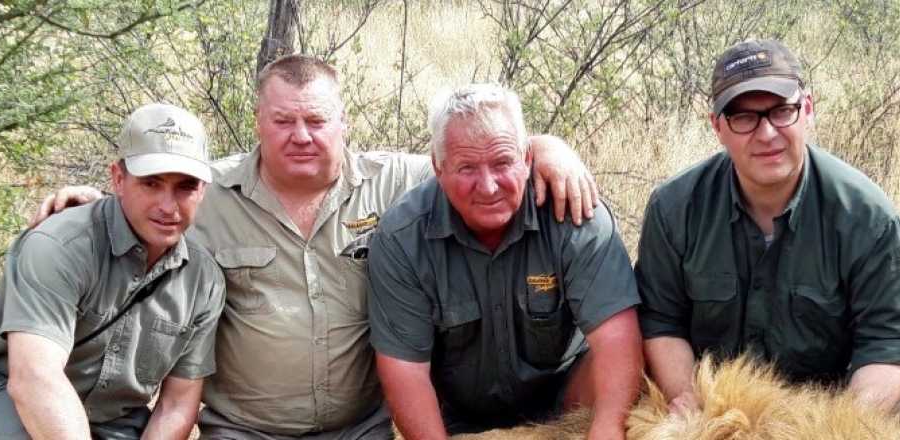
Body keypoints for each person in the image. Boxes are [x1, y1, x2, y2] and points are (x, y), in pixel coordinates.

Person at [32, 55, 600, 440]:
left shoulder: (401, 183)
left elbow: (475, 163)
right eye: (283, 120)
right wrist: (84, 201)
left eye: (316, 119)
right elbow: (148, 199)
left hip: (364, 427)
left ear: (343, 123)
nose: (301, 135)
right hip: (242, 430)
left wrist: (547, 148)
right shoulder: (206, 193)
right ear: (258, 120)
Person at [634, 39, 900, 437]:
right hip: (718, 398)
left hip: (837, 394)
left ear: (807, 110)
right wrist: (690, 402)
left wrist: (833, 426)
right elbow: (661, 322)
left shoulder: (868, 217)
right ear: (718, 127)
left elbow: (886, 343)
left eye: (782, 112)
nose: (766, 134)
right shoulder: (673, 208)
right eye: (744, 117)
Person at [368, 84, 642, 440]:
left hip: (568, 401)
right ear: (438, 167)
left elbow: (617, 337)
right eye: (467, 168)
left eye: (502, 163)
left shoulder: (574, 214)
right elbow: (406, 372)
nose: (488, 186)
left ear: (527, 158)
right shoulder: (402, 237)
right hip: (460, 419)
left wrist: (605, 431)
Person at [0, 103, 225, 439]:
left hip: (116, 422)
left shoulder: (204, 281)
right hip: (11, 400)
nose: (168, 206)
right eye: (151, 183)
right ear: (118, 178)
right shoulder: (61, 246)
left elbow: (176, 405)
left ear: (202, 191)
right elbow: (34, 379)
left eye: (185, 186)